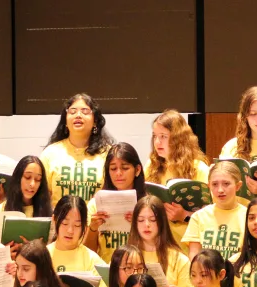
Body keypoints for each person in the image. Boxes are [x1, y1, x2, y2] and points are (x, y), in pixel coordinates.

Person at [143, 109, 210, 244]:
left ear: (178, 139)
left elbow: (210, 216)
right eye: (155, 136)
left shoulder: (199, 168)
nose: (157, 142)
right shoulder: (151, 165)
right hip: (158, 242)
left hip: (188, 244)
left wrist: (184, 215)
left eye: (163, 136)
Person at [127, 195, 193, 287]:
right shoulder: (127, 256)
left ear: (162, 222)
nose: (147, 225)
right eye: (141, 220)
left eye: (152, 220)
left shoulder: (179, 259)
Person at [40, 93, 113, 203]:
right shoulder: (50, 153)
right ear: (65, 121)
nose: (78, 115)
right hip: (60, 219)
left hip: (96, 219)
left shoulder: (108, 153)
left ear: (95, 122)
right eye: (72, 111)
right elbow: (41, 196)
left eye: (85, 111)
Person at [85, 142, 143, 263]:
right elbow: (87, 252)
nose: (118, 173)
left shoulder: (146, 205)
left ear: (137, 170)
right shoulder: (95, 204)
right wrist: (93, 229)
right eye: (113, 168)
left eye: (125, 168)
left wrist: (139, 226)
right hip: (105, 270)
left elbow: (157, 248)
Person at [183, 161, 248, 261]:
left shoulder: (248, 216)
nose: (220, 190)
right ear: (209, 186)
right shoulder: (199, 217)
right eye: (215, 184)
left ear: (238, 186)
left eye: (226, 184)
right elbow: (194, 256)